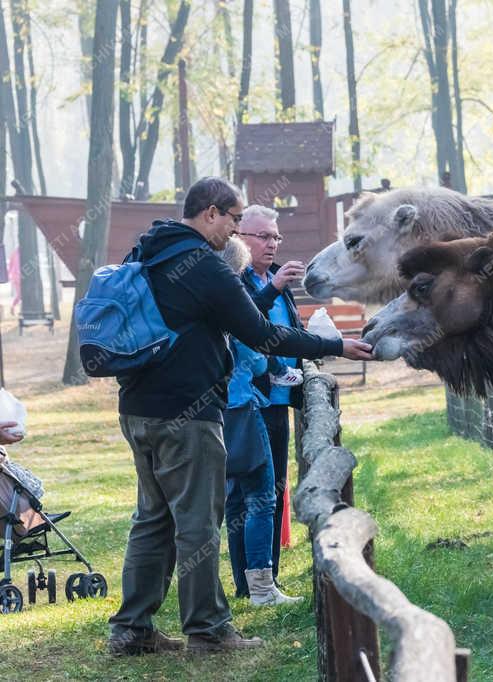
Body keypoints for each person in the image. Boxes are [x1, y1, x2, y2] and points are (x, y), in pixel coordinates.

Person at [107, 178, 373, 656]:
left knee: (152, 519)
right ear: (211, 213)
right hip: (187, 415)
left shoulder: (144, 251)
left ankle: (132, 630)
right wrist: (335, 345)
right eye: (232, 220)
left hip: (137, 409)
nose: (234, 232)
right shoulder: (204, 266)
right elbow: (262, 334)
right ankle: (208, 631)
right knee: (197, 522)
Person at [216, 236, 302, 606]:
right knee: (262, 498)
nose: (273, 243)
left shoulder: (200, 301)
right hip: (243, 408)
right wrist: (279, 368)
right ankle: (262, 587)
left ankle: (241, 583)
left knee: (233, 499)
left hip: (214, 412)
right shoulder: (233, 303)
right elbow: (254, 356)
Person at [236, 205, 306, 582]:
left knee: (276, 488)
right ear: (239, 236)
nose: (271, 244)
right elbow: (247, 325)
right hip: (248, 402)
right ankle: (250, 581)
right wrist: (274, 289)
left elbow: (288, 331)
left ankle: (269, 578)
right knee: (246, 496)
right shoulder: (237, 279)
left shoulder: (278, 279)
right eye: (262, 236)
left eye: (275, 237)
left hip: (280, 401)